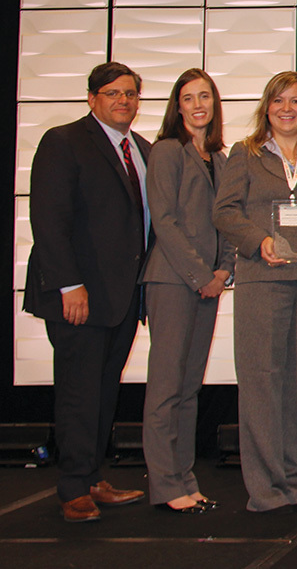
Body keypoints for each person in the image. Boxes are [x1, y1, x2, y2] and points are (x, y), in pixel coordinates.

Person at [213, 71, 297, 514]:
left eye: (296, 101)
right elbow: (225, 211)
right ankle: (266, 488)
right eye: (279, 101)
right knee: (261, 382)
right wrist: (258, 241)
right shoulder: (245, 154)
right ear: (266, 107)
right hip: (262, 279)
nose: (287, 109)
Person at [25, 61, 151, 522]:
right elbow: (49, 220)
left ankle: (94, 476)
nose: (123, 101)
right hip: (78, 295)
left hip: (121, 296)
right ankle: (73, 486)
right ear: (92, 98)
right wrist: (68, 285)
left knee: (103, 391)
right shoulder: (64, 141)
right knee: (79, 392)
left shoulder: (141, 148)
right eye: (113, 93)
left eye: (131, 94)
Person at [141, 69, 234, 514]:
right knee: (165, 386)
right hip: (172, 280)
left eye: (205, 97)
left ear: (215, 105)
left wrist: (224, 270)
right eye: (189, 97)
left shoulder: (220, 157)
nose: (198, 104)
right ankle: (164, 484)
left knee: (189, 388)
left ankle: (185, 478)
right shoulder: (166, 151)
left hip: (209, 285)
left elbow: (229, 221)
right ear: (177, 106)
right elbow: (165, 221)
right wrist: (203, 276)